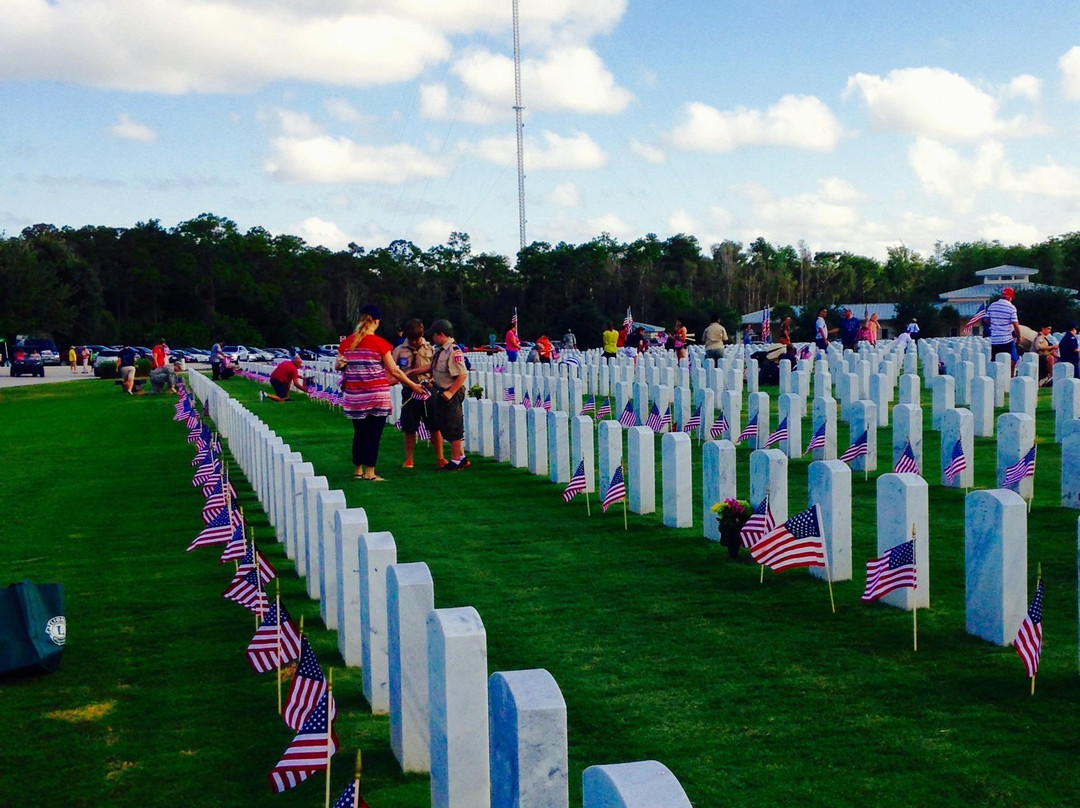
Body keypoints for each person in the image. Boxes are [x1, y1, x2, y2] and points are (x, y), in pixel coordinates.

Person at [338, 304, 424, 481]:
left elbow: (338, 365)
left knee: (359, 433)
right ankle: (370, 472)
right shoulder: (380, 344)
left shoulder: (347, 343)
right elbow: (394, 371)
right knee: (373, 435)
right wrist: (411, 384)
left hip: (355, 396)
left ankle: (358, 470)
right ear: (376, 322)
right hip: (376, 395)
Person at [391, 318, 441, 469]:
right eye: (411, 339)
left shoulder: (431, 349)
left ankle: (440, 457)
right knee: (409, 426)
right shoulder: (399, 350)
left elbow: (437, 369)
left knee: (434, 425)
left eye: (417, 338)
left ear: (422, 334)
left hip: (428, 389)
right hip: (409, 391)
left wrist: (432, 380)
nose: (414, 342)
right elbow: (392, 370)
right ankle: (409, 459)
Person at [429, 319, 470, 470]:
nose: (433, 338)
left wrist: (451, 392)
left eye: (434, 335)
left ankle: (455, 461)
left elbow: (462, 374)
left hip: (451, 392)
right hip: (442, 391)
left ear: (441, 334)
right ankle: (462, 457)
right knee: (445, 424)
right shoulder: (440, 351)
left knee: (453, 425)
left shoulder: (453, 351)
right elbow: (434, 368)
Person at [987, 288, 1021, 372]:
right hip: (1006, 339)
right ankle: (1009, 376)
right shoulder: (1011, 307)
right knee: (1013, 359)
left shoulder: (992, 305)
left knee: (996, 362)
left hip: (995, 339)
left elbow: (986, 320)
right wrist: (1019, 337)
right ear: (1010, 297)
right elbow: (1016, 324)